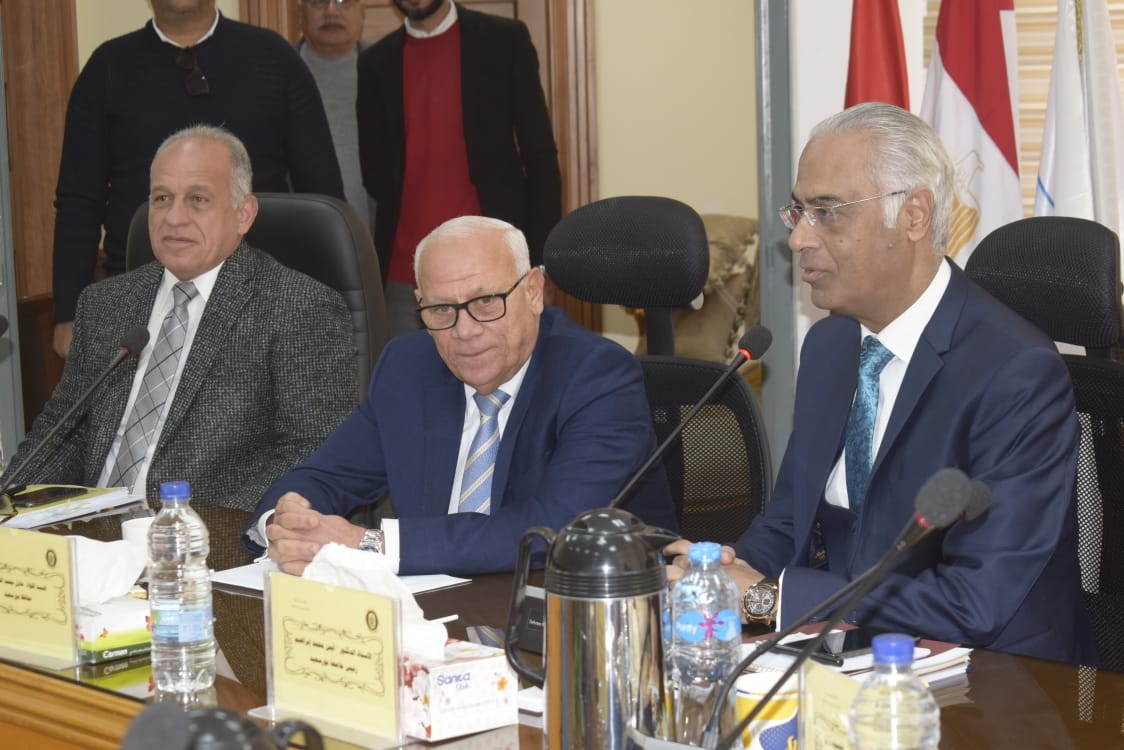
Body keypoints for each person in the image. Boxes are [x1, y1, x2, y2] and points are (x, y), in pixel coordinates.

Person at [668, 102, 1094, 665]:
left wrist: (774, 598)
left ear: (914, 215)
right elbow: (791, 520)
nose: (798, 239)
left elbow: (975, 601)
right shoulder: (830, 344)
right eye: (799, 212)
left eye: (827, 212)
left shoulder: (1016, 373)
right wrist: (723, 573)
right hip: (849, 649)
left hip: (989, 678)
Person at [247, 215, 676, 576]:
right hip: (432, 614)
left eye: (486, 301)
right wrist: (285, 524)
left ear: (532, 291)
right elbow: (326, 476)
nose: (465, 330)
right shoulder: (407, 366)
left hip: (571, 612)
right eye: (440, 309)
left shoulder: (599, 376)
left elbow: (552, 530)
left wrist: (369, 543)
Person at [4, 125, 357, 514]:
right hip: (91, 531)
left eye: (197, 199)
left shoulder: (298, 306)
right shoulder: (104, 303)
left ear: (243, 214)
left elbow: (314, 449)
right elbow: (64, 432)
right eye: (162, 198)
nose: (173, 218)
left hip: (202, 534)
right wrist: (10, 503)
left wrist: (189, 528)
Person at [52, 0, 344, 360]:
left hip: (262, 303)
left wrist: (330, 301)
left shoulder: (274, 58)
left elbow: (323, 192)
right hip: (141, 306)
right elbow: (79, 200)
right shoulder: (107, 68)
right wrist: (67, 311)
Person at [357, 0, 562, 336]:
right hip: (404, 279)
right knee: (409, 371)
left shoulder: (504, 41)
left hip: (497, 271)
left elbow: (540, 157)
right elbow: (375, 172)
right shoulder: (375, 63)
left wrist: (543, 263)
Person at [296, 0, 374, 227]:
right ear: (300, 12)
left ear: (362, 12)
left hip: (380, 235)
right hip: (300, 232)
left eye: (344, 1)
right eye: (319, 1)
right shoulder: (277, 73)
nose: (331, 11)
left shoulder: (388, 70)